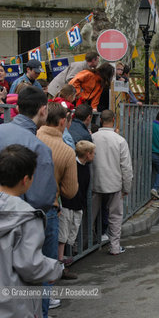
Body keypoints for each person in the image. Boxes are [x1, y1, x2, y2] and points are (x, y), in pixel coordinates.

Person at [0, 144, 63, 318]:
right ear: (25, 179)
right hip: (14, 306)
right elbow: (30, 265)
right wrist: (54, 269)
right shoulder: (27, 216)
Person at [36, 102, 78, 288]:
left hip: (20, 207)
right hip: (49, 209)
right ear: (62, 121)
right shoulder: (66, 151)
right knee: (47, 261)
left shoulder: (30, 138)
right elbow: (70, 191)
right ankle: (46, 302)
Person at [91, 110, 132, 255]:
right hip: (114, 183)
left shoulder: (92, 138)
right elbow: (126, 167)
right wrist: (126, 187)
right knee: (115, 216)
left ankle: (83, 243)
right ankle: (115, 246)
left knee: (90, 215)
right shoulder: (119, 140)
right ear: (114, 120)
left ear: (101, 120)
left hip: (95, 182)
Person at [58, 140, 95, 280]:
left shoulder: (86, 166)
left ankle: (64, 261)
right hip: (68, 203)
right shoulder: (73, 165)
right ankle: (60, 266)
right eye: (93, 153)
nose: (94, 156)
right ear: (87, 154)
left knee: (71, 234)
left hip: (78, 204)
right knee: (62, 236)